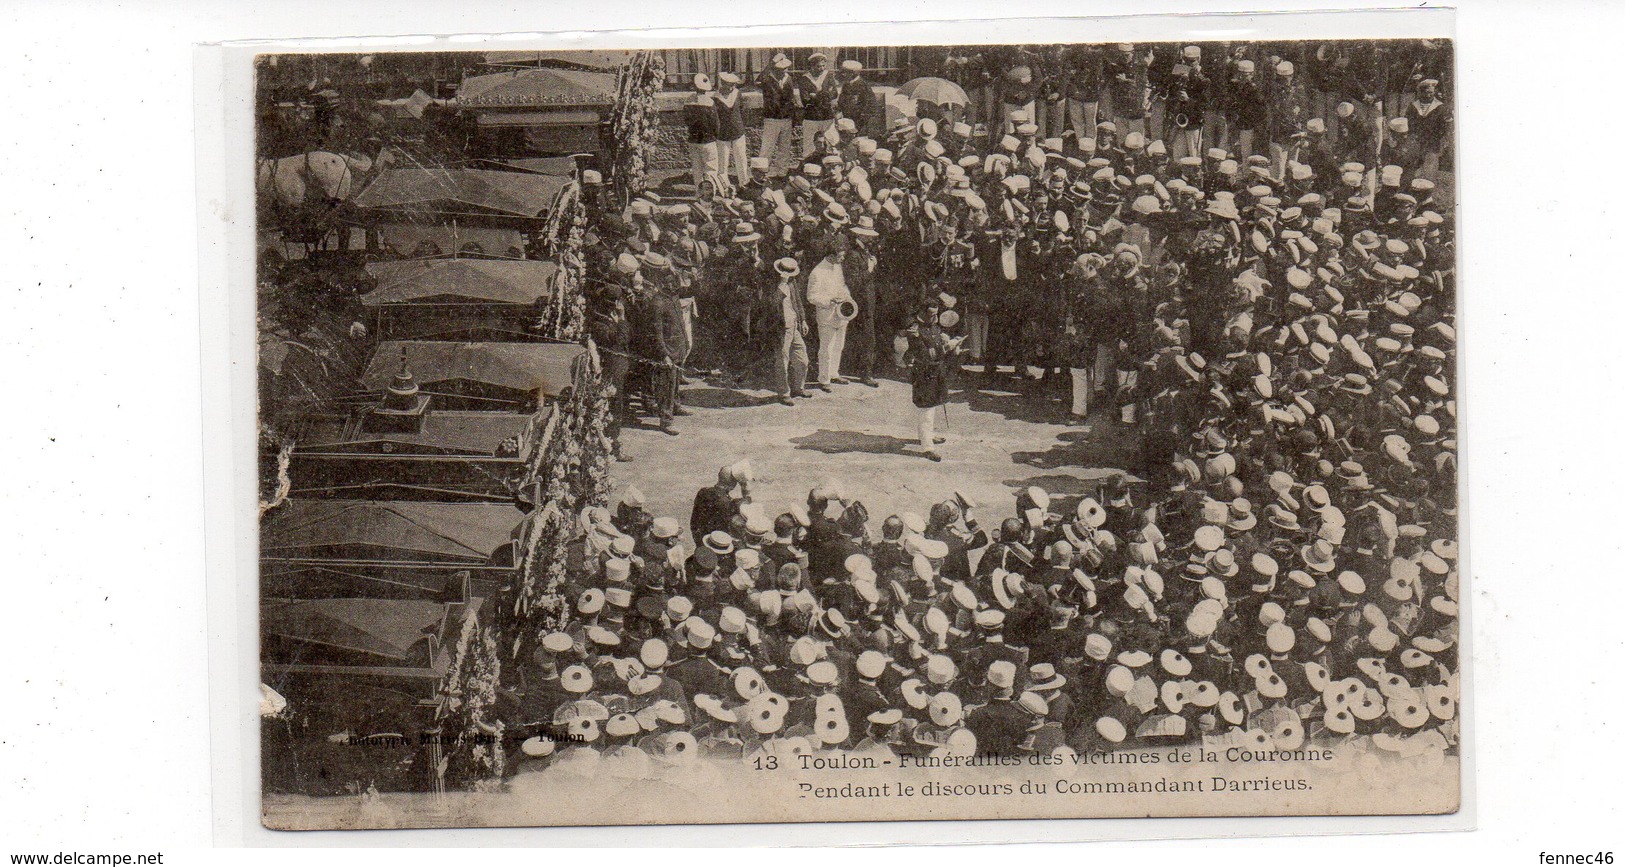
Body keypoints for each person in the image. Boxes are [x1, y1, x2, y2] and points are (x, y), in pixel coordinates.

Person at [904, 299, 958, 462]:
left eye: (936, 313)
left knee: (933, 404)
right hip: (924, 372)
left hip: (937, 370)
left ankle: (928, 435)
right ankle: (927, 447)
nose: (934, 317)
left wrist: (946, 341)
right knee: (925, 409)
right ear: (922, 312)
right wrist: (947, 347)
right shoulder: (914, 328)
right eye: (931, 314)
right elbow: (924, 353)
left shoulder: (935, 325)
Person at [806, 234, 856, 388]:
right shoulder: (817, 272)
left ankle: (834, 374)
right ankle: (824, 379)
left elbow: (842, 285)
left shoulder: (837, 267)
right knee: (826, 348)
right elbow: (811, 296)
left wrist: (846, 296)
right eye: (840, 256)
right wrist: (830, 301)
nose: (842, 259)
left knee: (838, 346)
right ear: (830, 255)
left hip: (841, 314)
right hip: (827, 315)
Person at [761, 256, 811, 406]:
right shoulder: (771, 284)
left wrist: (802, 320)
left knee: (802, 359)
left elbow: (798, 302)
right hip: (780, 328)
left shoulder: (792, 282)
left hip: (794, 325)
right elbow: (770, 304)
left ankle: (798, 388)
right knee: (782, 362)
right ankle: (784, 393)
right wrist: (781, 285)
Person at [758, 53, 801, 178]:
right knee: (767, 147)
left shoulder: (789, 79)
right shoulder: (768, 79)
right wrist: (771, 63)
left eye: (785, 68)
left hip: (786, 118)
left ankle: (781, 171)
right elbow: (759, 79)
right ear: (775, 69)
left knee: (785, 147)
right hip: (771, 119)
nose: (783, 71)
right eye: (780, 69)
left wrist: (792, 115)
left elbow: (791, 97)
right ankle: (762, 172)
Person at [797, 53, 840, 158]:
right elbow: (805, 99)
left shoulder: (828, 76)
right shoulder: (804, 79)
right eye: (818, 66)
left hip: (827, 116)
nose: (821, 68)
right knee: (809, 143)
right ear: (812, 66)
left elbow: (834, 93)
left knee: (831, 140)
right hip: (812, 117)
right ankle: (808, 166)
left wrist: (816, 95)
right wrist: (824, 94)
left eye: (823, 66)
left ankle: (832, 163)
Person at [684, 74, 721, 191]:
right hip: (708, 141)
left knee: (697, 169)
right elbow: (716, 124)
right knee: (711, 169)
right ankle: (710, 195)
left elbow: (686, 120)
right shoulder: (710, 103)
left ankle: (698, 194)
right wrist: (716, 135)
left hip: (693, 140)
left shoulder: (688, 101)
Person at [713, 72, 750, 190]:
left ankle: (744, 184)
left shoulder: (737, 93)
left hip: (738, 132)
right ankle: (724, 187)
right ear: (722, 83)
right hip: (722, 135)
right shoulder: (715, 98)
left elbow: (742, 110)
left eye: (733, 85)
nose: (731, 88)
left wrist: (740, 125)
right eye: (729, 85)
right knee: (722, 163)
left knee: (741, 159)